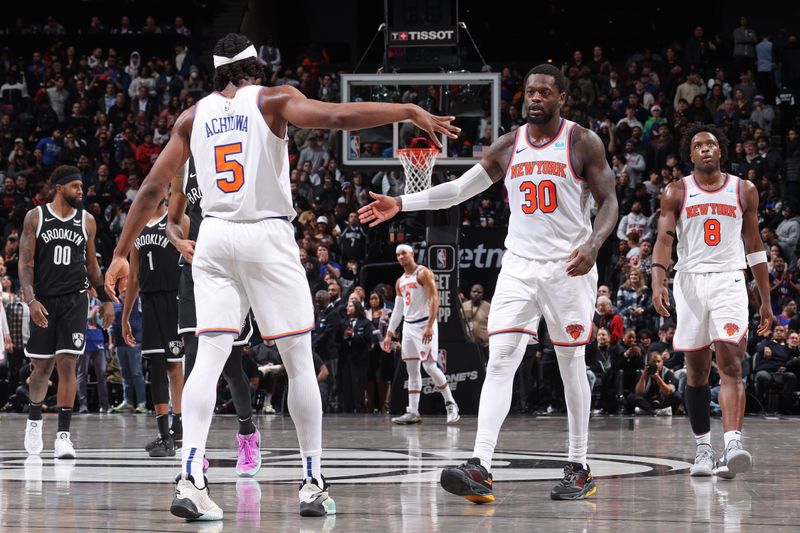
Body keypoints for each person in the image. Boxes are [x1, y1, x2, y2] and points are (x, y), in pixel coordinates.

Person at [104, 33, 457, 521]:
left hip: (214, 237)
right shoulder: (273, 99)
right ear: (254, 67)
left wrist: (121, 253)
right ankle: (312, 482)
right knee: (296, 359)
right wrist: (406, 110)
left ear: (215, 72)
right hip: (265, 236)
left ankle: (191, 476)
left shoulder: (192, 116)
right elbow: (336, 116)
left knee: (207, 357)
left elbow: (150, 189)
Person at [360, 64, 618, 501]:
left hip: (567, 266)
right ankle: (480, 465)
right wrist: (401, 202)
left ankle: (580, 465)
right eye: (529, 92)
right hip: (518, 265)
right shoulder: (508, 145)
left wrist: (593, 245)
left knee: (570, 363)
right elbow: (459, 189)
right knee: (500, 359)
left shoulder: (581, 141)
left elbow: (609, 200)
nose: (534, 98)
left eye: (544, 93)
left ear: (561, 99)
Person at [652, 123, 772, 480]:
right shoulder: (676, 191)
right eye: (698, 145)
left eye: (711, 144)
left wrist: (765, 299)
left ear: (721, 151)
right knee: (697, 372)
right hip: (689, 282)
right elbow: (663, 239)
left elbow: (755, 246)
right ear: (690, 155)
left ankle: (733, 443)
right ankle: (703, 448)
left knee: (732, 364)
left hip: (730, 280)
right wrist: (658, 279)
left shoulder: (743, 189)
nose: (705, 148)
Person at [167, 155, 261, 477]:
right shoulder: (184, 166)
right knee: (193, 361)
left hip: (229, 270)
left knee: (231, 364)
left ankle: (247, 434)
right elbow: (172, 220)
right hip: (193, 272)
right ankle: (197, 449)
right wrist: (179, 241)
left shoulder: (237, 154)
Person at [20, 164, 114, 459]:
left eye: (82, 188)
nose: (81, 192)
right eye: (76, 187)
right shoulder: (36, 217)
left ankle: (63, 436)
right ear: (59, 187)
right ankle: (34, 418)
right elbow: (25, 263)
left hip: (75, 300)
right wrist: (31, 299)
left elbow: (92, 266)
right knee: (41, 369)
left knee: (68, 363)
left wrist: (105, 298)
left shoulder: (87, 220)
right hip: (45, 299)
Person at [122, 197, 185, 458]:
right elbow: (134, 275)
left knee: (174, 365)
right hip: (148, 301)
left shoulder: (180, 221)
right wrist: (126, 315)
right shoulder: (137, 227)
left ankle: (178, 427)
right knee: (156, 366)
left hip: (174, 298)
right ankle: (164, 433)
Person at [382, 244, 460, 425]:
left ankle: (451, 403)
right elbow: (398, 309)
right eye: (398, 254)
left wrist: (430, 325)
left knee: (430, 367)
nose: (401, 257)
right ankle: (413, 411)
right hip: (408, 327)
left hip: (424, 324)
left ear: (412, 254)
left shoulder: (423, 273)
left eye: (404, 253)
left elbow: (434, 298)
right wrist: (389, 333)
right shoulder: (400, 281)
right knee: (411, 370)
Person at [77, 287, 110, 413]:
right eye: (93, 289)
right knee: (82, 374)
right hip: (83, 341)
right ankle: (82, 405)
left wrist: (96, 318)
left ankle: (105, 405)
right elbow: (76, 321)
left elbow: (104, 323)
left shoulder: (99, 303)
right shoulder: (79, 302)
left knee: (102, 374)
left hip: (98, 340)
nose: (95, 292)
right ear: (87, 290)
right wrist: (90, 316)